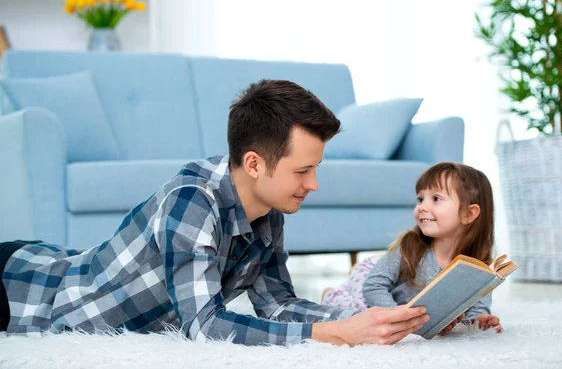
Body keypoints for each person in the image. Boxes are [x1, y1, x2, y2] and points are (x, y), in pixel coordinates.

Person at [0, 79, 429, 346]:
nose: (313, 184)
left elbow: (277, 304)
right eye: (303, 170)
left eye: (315, 169)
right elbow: (203, 327)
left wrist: (365, 322)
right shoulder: (192, 201)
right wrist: (333, 334)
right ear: (256, 163)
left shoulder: (268, 209)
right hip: (25, 291)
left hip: (56, 259)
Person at [322, 162, 502, 336]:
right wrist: (396, 315)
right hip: (374, 279)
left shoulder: (478, 266)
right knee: (354, 311)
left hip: (388, 274)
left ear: (468, 214)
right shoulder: (410, 244)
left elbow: (476, 306)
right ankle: (333, 289)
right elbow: (373, 286)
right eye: (420, 199)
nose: (422, 207)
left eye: (436, 199)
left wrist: (480, 319)